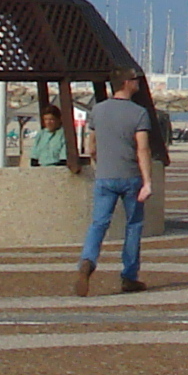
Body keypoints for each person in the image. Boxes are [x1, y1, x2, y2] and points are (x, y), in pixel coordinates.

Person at [76, 70, 162, 295]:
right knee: (133, 226)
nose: (138, 84)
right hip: (130, 176)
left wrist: (99, 163)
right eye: (135, 80)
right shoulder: (138, 113)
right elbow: (143, 148)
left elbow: (91, 145)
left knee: (98, 223)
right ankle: (129, 276)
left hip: (105, 176)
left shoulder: (98, 110)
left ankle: (87, 261)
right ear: (125, 83)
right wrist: (148, 182)